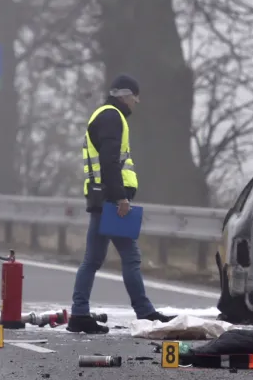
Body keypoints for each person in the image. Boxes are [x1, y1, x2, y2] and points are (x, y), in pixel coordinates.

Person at [68, 74, 175, 334]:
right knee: (129, 257)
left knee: (93, 259)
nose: (136, 103)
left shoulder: (103, 115)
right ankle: (144, 312)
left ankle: (80, 314)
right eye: (135, 98)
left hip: (102, 197)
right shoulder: (112, 117)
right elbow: (110, 161)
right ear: (126, 95)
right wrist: (120, 197)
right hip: (111, 200)